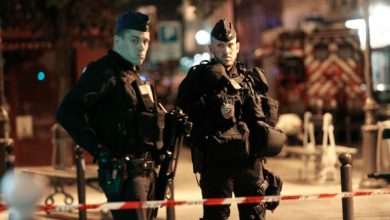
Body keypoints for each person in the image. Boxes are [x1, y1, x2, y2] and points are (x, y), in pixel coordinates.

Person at [56, 11, 165, 220]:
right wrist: (100, 151)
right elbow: (67, 112)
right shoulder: (103, 72)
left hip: (148, 173)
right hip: (125, 175)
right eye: (134, 40)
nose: (141, 47)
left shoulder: (134, 75)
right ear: (117, 40)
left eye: (145, 41)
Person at [176, 18, 283, 220]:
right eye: (220, 45)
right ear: (211, 48)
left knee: (254, 216)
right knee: (217, 216)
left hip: (250, 164)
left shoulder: (250, 77)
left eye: (230, 45)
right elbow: (183, 117)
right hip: (216, 165)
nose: (226, 50)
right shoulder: (198, 78)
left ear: (238, 46)